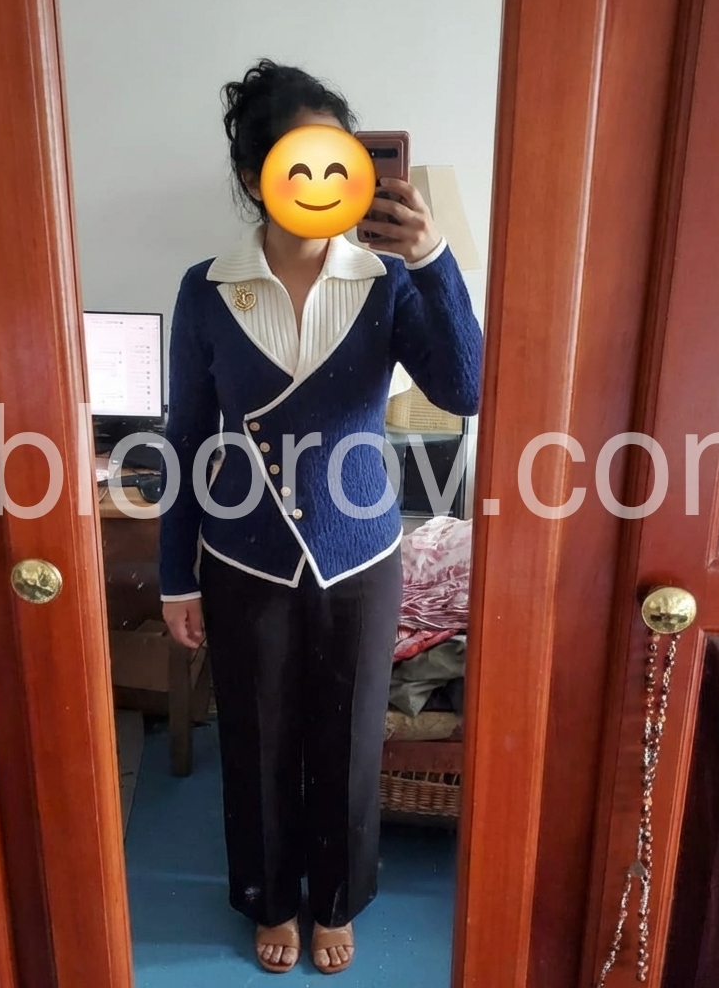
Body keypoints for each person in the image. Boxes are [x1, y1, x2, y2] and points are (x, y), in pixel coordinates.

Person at [159, 59, 482, 975]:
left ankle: (336, 900)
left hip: (360, 552)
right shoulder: (206, 288)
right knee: (256, 740)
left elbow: (465, 388)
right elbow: (186, 437)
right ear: (255, 173)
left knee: (349, 741)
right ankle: (269, 898)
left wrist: (433, 260)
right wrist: (177, 575)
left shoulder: (386, 280)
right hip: (243, 553)